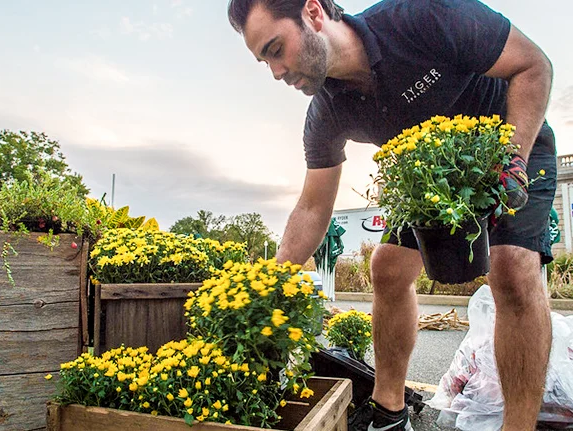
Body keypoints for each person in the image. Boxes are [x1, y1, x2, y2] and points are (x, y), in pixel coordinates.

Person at [227, 0, 557, 430]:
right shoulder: (327, 112)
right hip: (432, 176)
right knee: (387, 267)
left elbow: (533, 66)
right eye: (263, 60)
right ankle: (389, 410)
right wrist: (271, 285)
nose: (275, 71)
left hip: (510, 147)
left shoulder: (421, 17)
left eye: (275, 49)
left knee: (512, 268)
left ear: (312, 12)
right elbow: (312, 207)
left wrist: (511, 161)